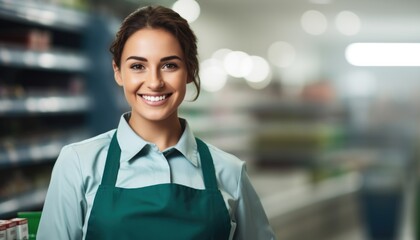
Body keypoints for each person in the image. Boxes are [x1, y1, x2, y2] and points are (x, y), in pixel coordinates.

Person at [37, 5, 275, 240]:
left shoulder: (229, 172)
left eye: (169, 65)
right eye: (138, 66)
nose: (154, 82)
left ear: (190, 70)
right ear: (118, 72)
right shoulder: (78, 165)